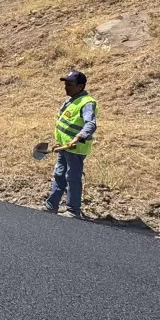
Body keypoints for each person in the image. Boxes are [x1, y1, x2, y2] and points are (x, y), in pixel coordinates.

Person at [44, 70, 99, 218]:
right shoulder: (72, 99)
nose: (66, 87)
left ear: (80, 86)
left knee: (72, 178)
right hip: (64, 146)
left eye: (70, 84)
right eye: (65, 84)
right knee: (59, 175)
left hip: (76, 149)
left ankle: (73, 210)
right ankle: (51, 206)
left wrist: (79, 137)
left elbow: (91, 124)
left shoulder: (87, 103)